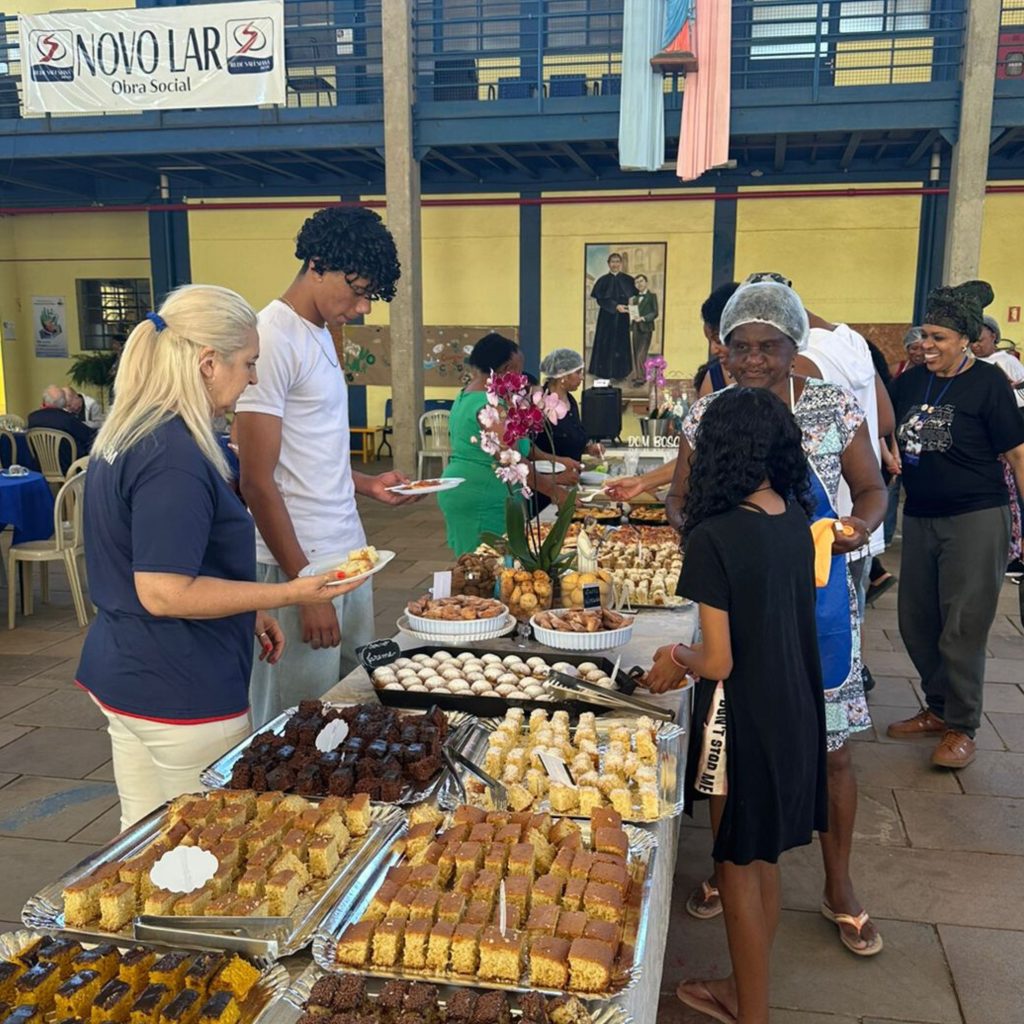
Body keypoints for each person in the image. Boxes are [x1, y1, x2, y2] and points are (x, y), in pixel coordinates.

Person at [615, 280, 888, 957]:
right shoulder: (707, 415)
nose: (756, 359)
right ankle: (730, 864)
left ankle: (838, 885)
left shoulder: (828, 407)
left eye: (770, 346)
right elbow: (679, 499)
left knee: (831, 752)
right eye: (742, 346)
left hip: (818, 603)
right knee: (734, 741)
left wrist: (858, 526)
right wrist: (705, 534)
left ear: (796, 349)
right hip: (739, 598)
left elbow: (873, 488)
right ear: (723, 350)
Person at [76, 286, 352, 828]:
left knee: (145, 841)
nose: (252, 379)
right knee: (213, 851)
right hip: (180, 689)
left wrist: (246, 608)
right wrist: (293, 592)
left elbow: (168, 560)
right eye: (248, 364)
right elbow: (163, 589)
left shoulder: (135, 432)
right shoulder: (173, 456)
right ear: (208, 363)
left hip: (127, 675)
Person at [644, 387, 827, 1024]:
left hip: (742, 719)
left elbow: (716, 660)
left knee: (735, 864)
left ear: (716, 453)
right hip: (796, 711)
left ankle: (752, 1013)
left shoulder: (714, 535)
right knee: (762, 857)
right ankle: (741, 988)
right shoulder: (795, 518)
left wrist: (675, 655)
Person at [235, 207, 417, 729]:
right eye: (356, 291)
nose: (360, 308)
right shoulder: (270, 339)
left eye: (369, 297)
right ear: (317, 264)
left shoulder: (317, 332)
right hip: (299, 561)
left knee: (350, 702)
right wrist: (304, 585)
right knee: (294, 722)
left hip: (347, 555)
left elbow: (309, 452)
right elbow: (256, 480)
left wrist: (365, 484)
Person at [888, 281, 1024, 769]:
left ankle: (962, 726)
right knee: (916, 622)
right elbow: (886, 427)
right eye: (925, 335)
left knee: (963, 627)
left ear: (966, 339)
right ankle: (939, 706)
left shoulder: (987, 383)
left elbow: (1016, 453)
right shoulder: (909, 381)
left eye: (939, 337)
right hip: (921, 517)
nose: (928, 345)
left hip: (976, 517)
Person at [437, 334, 579, 554]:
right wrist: (555, 492)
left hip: (469, 488)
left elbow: (520, 445)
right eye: (519, 372)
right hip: (481, 495)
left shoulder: (469, 395)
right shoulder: (489, 406)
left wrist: (557, 460)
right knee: (485, 563)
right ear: (505, 370)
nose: (521, 379)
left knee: (482, 563)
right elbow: (511, 460)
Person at [534, 348, 603, 464]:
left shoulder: (571, 402)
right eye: (578, 372)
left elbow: (571, 441)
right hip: (548, 476)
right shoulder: (540, 403)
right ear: (563, 375)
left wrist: (588, 449)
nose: (582, 377)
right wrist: (561, 461)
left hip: (572, 474)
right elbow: (532, 449)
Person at [588, 253, 635, 382]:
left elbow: (635, 297)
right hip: (606, 317)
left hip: (623, 317)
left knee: (621, 343)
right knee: (605, 342)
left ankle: (621, 373)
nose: (615, 264)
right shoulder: (602, 280)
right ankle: (603, 372)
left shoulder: (628, 279)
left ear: (621, 264)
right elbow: (600, 300)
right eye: (612, 262)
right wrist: (614, 306)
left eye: (617, 262)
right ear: (608, 264)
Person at [28, 386, 97, 471]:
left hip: (41, 467)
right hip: (69, 467)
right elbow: (88, 436)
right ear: (64, 402)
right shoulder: (68, 419)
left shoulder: (32, 418)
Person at [693, 281, 740, 398]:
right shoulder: (713, 378)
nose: (713, 350)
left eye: (718, 341)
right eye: (710, 341)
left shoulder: (787, 377)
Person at [628, 274, 659, 385]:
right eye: (637, 282)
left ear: (646, 282)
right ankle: (638, 375)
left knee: (642, 353)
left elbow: (655, 313)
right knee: (636, 353)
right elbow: (632, 312)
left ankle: (642, 378)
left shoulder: (652, 296)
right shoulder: (634, 298)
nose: (639, 284)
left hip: (646, 328)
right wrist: (629, 308)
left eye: (641, 281)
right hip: (635, 328)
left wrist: (644, 318)